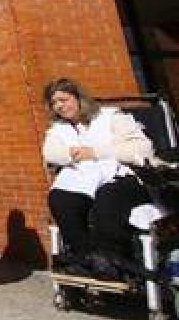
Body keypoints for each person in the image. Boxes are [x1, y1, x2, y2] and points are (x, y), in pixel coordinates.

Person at [42, 77, 154, 265]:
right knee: (60, 198)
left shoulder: (111, 117)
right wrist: (72, 154)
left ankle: (117, 259)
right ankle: (88, 257)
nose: (59, 106)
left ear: (79, 98)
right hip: (84, 180)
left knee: (107, 198)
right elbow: (50, 154)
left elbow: (143, 148)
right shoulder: (58, 129)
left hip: (123, 177)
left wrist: (94, 152)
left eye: (64, 99)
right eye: (54, 103)